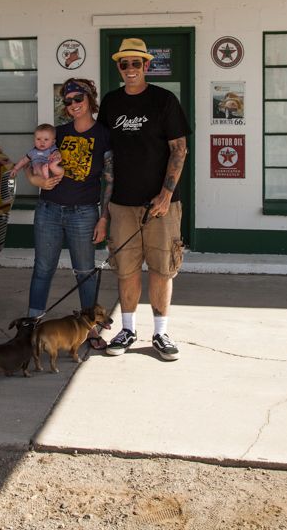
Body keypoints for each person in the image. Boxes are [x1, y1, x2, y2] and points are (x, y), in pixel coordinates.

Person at [98, 38, 189, 361]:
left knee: (162, 267)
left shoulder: (164, 100)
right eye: (125, 64)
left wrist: (166, 194)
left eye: (137, 63)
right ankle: (127, 328)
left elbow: (179, 148)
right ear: (119, 68)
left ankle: (161, 332)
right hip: (122, 203)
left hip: (161, 203)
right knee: (127, 269)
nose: (131, 69)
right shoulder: (110, 103)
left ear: (147, 66)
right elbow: (105, 155)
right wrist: (105, 208)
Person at [26, 79, 113, 339]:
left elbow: (110, 179)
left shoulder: (104, 135)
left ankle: (92, 331)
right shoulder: (58, 133)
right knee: (42, 269)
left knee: (85, 272)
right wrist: (39, 181)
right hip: (49, 209)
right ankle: (30, 327)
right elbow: (32, 169)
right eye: (68, 101)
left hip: (84, 212)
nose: (73, 104)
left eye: (78, 98)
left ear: (89, 99)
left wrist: (104, 218)